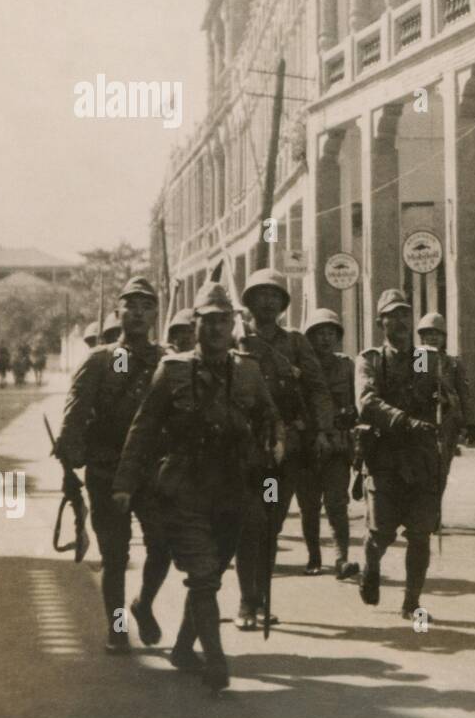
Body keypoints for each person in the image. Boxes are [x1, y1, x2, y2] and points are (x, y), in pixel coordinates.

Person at [114, 281, 284, 692]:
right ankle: (216, 662)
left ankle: (184, 649)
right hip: (184, 485)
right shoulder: (172, 370)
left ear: (233, 324)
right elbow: (143, 428)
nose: (216, 328)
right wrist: (124, 483)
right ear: (197, 324)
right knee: (204, 575)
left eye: (223, 320)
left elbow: (269, 416)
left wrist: (275, 444)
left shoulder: (248, 369)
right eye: (208, 321)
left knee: (213, 573)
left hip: (232, 487)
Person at [57, 277, 173, 653]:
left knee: (163, 546)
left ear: (156, 313)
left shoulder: (167, 360)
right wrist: (70, 462)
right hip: (107, 470)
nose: (138, 313)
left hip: (153, 472)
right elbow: (74, 416)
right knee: (115, 556)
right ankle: (118, 627)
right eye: (131, 305)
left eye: (146, 306)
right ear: (118, 312)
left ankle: (143, 605)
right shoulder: (102, 359)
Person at [232, 269, 334, 630]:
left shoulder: (294, 342)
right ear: (249, 301)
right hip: (246, 449)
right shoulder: (237, 338)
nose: (269, 301)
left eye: (275, 295)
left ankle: (260, 597)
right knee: (250, 523)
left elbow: (318, 387)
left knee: (270, 524)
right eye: (261, 294)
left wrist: (322, 429)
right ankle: (248, 601)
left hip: (285, 449)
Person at [355, 289, 454, 620]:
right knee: (380, 532)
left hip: (421, 459)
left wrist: (445, 399)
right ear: (381, 320)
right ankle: (370, 566)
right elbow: (367, 402)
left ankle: (411, 602)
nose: (399, 321)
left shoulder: (425, 357)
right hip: (384, 458)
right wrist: (404, 420)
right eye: (392, 315)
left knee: (420, 534)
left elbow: (438, 390)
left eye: (404, 315)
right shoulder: (371, 360)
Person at [300, 309, 360, 579]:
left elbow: (357, 402)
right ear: (309, 338)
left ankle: (342, 559)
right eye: (319, 334)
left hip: (337, 445)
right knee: (309, 504)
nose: (325, 339)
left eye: (330, 334)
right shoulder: (300, 367)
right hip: (307, 446)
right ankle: (314, 555)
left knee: (337, 502)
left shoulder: (346, 365)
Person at [416, 311, 472, 463]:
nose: (433, 338)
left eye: (438, 334)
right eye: (429, 334)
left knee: (442, 470)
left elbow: (464, 395)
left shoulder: (453, 363)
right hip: (423, 421)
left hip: (448, 422)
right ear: (422, 337)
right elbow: (418, 386)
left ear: (444, 337)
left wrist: (468, 424)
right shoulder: (420, 358)